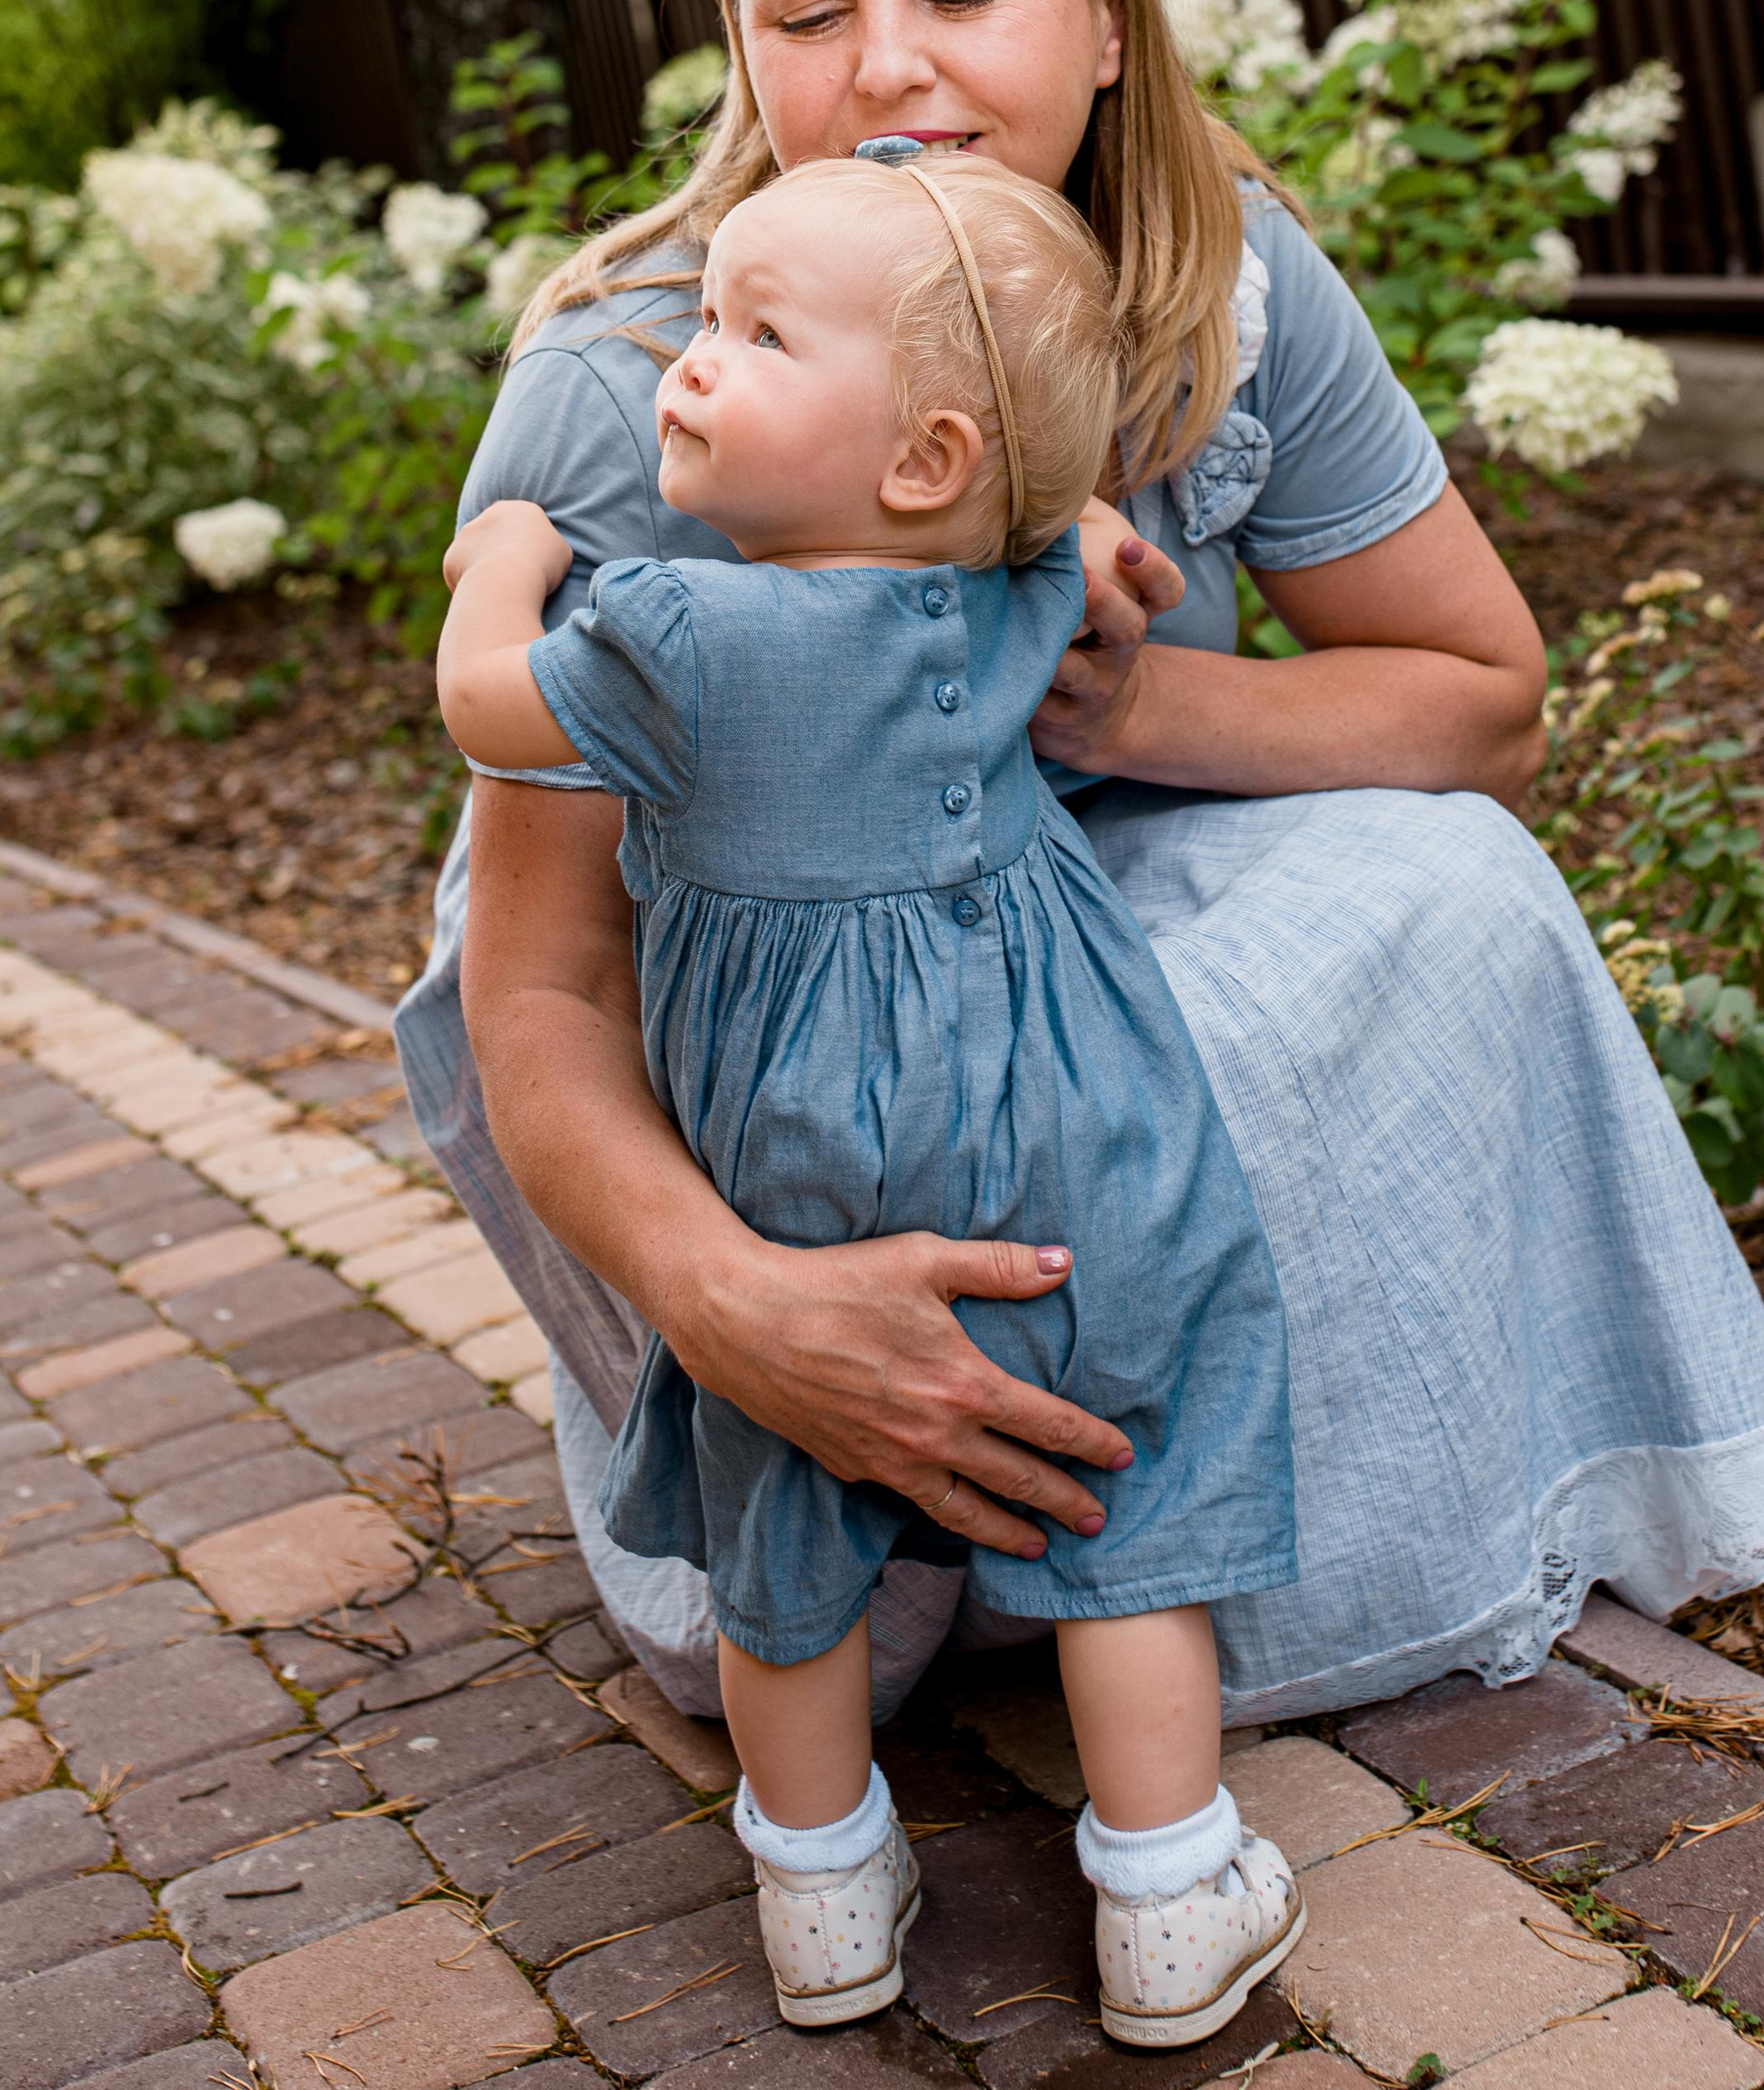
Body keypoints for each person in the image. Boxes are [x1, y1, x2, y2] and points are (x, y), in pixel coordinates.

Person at [396, 0, 1764, 1753]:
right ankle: (892, 1527)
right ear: (741, 61)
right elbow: (535, 991)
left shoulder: (1220, 282)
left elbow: (1478, 702)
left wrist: (1116, 697)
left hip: (1056, 888)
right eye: (801, 12)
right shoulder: (649, 378)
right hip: (715, 990)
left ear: (1099, 13)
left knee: (1445, 885)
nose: (885, 63)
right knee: (823, 1575)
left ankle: (1177, 1540)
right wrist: (746, 1317)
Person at [436, 152, 1305, 2042]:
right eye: (702, 321)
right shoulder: (1004, 587)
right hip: (1077, 1111)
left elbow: (486, 706)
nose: (685, 360)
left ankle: (821, 1891)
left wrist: (500, 557)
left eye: (753, 333)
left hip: (795, 1152)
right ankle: (1166, 1889)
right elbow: (1054, 530)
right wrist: (1058, 505)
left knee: (785, 1503)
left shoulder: (670, 637)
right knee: (1119, 1456)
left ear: (917, 458)